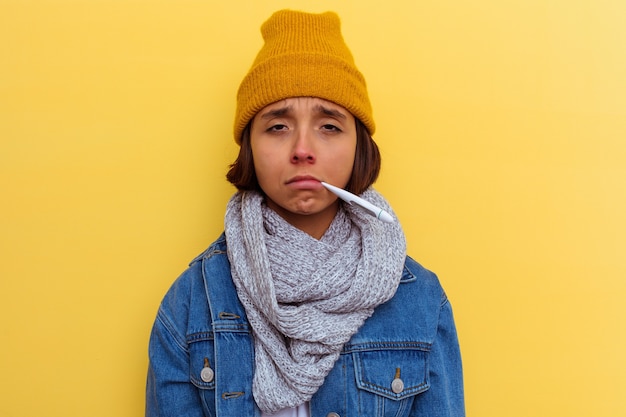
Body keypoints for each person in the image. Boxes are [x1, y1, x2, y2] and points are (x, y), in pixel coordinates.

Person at [146, 9, 464, 417]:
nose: (302, 148)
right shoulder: (191, 303)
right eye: (277, 126)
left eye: (329, 126)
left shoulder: (420, 300)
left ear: (358, 146)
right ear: (250, 147)